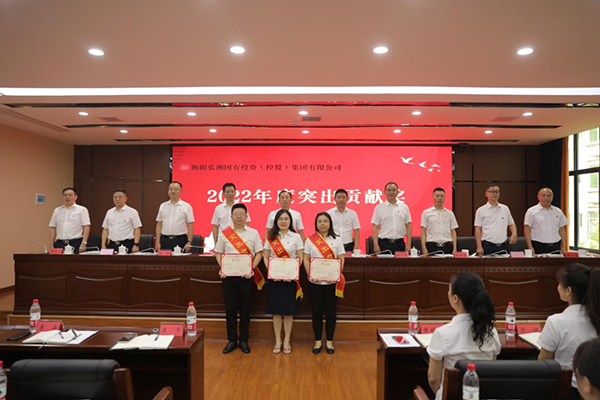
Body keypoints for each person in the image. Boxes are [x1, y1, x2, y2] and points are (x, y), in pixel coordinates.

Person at [427, 271, 501, 400]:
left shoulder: (442, 333)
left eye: (449, 290)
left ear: (455, 298)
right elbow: (491, 369)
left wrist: (444, 396)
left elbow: (433, 379)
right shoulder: (491, 331)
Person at [538, 263, 600, 394]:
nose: (557, 287)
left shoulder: (556, 321)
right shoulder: (596, 317)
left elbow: (543, 362)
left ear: (568, 291)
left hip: (567, 391)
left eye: (559, 283)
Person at [214, 203, 264, 354]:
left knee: (245, 310)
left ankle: (243, 340)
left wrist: (251, 268)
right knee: (230, 310)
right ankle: (231, 340)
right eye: (236, 214)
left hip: (246, 277)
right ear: (231, 217)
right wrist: (223, 267)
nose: (239, 217)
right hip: (229, 277)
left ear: (246, 216)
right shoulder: (225, 233)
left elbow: (259, 253)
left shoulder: (253, 233)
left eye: (242, 214)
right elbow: (218, 253)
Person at [303, 212, 345, 355]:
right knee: (316, 312)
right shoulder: (310, 240)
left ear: (330, 223)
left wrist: (336, 274)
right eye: (319, 221)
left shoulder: (337, 240)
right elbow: (306, 258)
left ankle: (329, 341)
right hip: (315, 282)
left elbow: (341, 258)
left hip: (331, 283)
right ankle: (317, 341)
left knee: (331, 313)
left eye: (325, 221)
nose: (322, 224)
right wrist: (310, 273)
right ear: (316, 224)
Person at [263, 209, 304, 355]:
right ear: (276, 221)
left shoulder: (296, 237)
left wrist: (292, 272)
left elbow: (300, 257)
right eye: (280, 219)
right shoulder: (270, 237)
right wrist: (272, 272)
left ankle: (286, 340)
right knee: (276, 311)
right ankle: (277, 340)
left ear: (290, 221)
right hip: (275, 279)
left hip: (290, 279)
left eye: (286, 219)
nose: (283, 221)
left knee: (288, 311)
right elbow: (266, 257)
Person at [474, 183, 517, 255]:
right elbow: (477, 229)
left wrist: (514, 234)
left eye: (497, 191)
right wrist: (479, 246)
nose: (495, 194)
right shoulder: (481, 210)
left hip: (503, 246)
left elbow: (512, 224)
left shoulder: (505, 208)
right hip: (488, 246)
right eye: (492, 192)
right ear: (486, 194)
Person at [524, 187, 568, 255]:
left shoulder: (558, 211)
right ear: (538, 197)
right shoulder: (531, 211)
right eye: (543, 196)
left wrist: (564, 246)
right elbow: (526, 230)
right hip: (538, 245)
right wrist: (530, 247)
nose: (546, 198)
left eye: (548, 196)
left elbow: (562, 229)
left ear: (552, 198)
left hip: (555, 246)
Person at [371, 182, 412, 254]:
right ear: (384, 192)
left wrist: (409, 244)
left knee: (401, 262)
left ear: (398, 192)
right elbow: (375, 227)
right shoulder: (379, 208)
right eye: (389, 190)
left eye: (394, 190)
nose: (391, 192)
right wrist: (376, 244)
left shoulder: (404, 207)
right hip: (384, 244)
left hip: (400, 243)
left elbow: (408, 226)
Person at [49, 187, 91, 253]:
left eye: (70, 195)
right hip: (59, 243)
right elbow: (53, 227)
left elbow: (86, 227)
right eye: (65, 195)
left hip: (75, 243)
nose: (67, 197)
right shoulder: (57, 210)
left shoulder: (82, 210)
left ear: (75, 197)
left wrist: (84, 243)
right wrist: (51, 244)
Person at [155, 181, 194, 251]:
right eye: (170, 189)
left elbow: (190, 225)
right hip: (164, 239)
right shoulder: (163, 206)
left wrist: (189, 242)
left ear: (181, 192)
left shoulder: (186, 206)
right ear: (168, 191)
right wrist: (158, 241)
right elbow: (159, 223)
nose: (173, 191)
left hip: (180, 239)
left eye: (176, 189)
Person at [101, 189, 142, 253]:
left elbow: (137, 229)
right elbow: (105, 229)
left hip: (126, 244)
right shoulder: (109, 212)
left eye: (120, 197)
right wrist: (103, 245)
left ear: (125, 199)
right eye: (115, 197)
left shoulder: (132, 212)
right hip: (112, 244)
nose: (117, 199)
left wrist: (136, 244)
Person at [420, 187, 458, 255]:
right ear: (433, 197)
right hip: (432, 246)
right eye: (437, 196)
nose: (440, 198)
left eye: (442, 196)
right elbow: (423, 231)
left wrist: (455, 248)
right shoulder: (426, 213)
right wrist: (423, 247)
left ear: (445, 197)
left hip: (447, 246)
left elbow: (453, 231)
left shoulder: (450, 213)